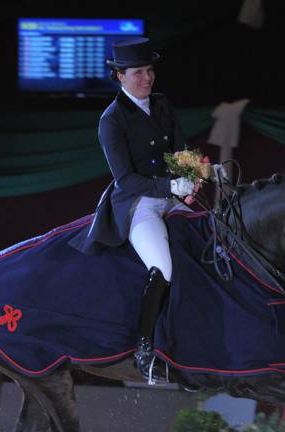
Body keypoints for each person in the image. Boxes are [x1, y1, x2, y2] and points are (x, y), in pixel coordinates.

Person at [69, 37, 198, 383]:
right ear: (121, 77)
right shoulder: (112, 120)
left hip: (171, 197)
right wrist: (169, 187)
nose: (148, 78)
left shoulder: (162, 104)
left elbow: (180, 150)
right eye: (139, 72)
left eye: (150, 70)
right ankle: (145, 350)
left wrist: (191, 178)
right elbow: (126, 180)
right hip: (139, 205)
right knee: (164, 266)